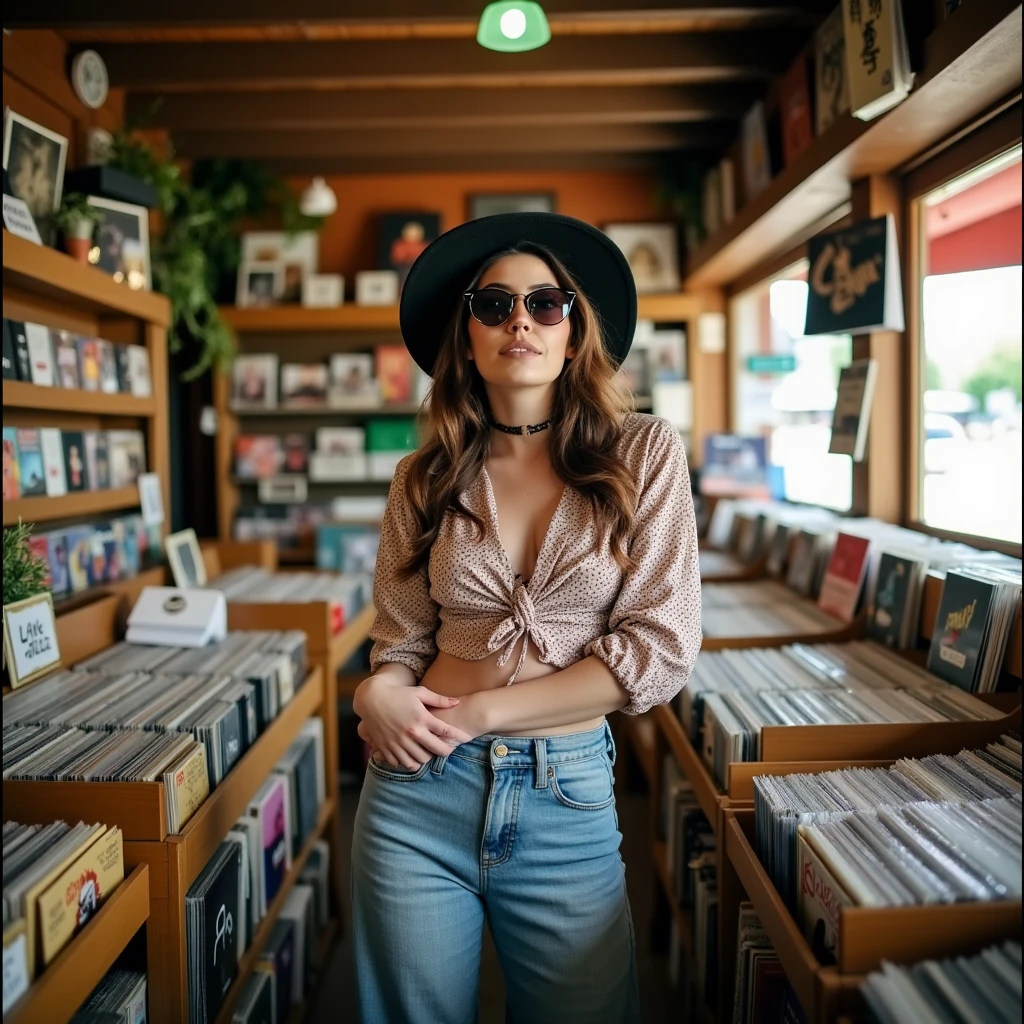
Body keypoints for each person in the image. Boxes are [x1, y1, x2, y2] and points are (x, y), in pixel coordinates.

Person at [351, 212, 702, 1024]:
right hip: (414, 796)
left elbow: (661, 647)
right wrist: (375, 695)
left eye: (547, 304)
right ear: (465, 334)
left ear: (574, 333)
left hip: (564, 797)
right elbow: (399, 641)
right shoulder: (422, 476)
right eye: (495, 303)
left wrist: (477, 714)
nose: (521, 319)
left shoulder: (643, 453)